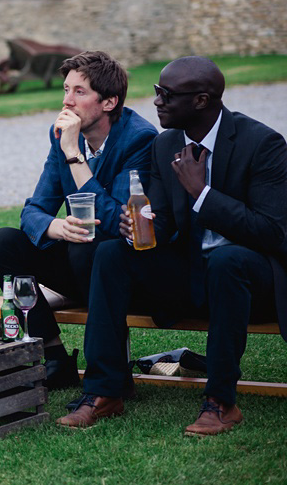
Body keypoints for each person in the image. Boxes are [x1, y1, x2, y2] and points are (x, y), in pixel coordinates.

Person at [58, 57, 287, 435]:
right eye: (157, 92)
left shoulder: (262, 144)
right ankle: (105, 391)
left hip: (252, 280)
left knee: (227, 259)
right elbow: (162, 224)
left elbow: (273, 232)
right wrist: (137, 227)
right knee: (112, 253)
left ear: (200, 100)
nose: (157, 101)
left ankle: (221, 403)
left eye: (166, 95)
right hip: (193, 271)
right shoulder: (166, 145)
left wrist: (202, 194)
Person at [0, 51, 157, 388]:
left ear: (109, 102)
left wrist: (75, 156)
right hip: (80, 264)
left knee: (88, 245)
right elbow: (33, 211)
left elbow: (118, 222)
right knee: (2, 243)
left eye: (79, 92)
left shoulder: (139, 138)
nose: (67, 101)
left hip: (123, 270)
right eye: (66, 89)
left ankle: (107, 368)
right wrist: (56, 227)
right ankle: (54, 357)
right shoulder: (62, 136)